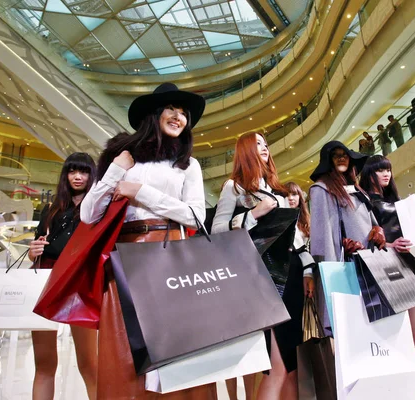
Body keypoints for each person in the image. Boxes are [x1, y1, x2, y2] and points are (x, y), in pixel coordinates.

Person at [80, 82, 217, 399]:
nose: (178, 117)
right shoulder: (122, 157)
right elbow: (89, 214)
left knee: (175, 350)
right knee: (126, 353)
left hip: (170, 257)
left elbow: (196, 217)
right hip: (125, 262)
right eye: (171, 108)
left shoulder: (187, 164)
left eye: (183, 113)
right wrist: (116, 170)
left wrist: (139, 192)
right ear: (154, 114)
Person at [211, 133, 315, 400]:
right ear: (245, 149)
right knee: (275, 366)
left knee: (291, 366)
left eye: (266, 144)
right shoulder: (233, 187)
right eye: (257, 143)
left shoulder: (278, 190)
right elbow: (218, 230)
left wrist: (306, 270)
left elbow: (295, 239)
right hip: (263, 275)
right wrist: (254, 214)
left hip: (290, 273)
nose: (264, 148)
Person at [29, 153, 98, 400]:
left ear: (92, 175)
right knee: (45, 364)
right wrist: (32, 250)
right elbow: (36, 252)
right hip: (45, 280)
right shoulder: (50, 209)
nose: (77, 177)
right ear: (65, 175)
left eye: (84, 171)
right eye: (72, 171)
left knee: (90, 364)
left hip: (79, 282)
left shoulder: (97, 208)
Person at [309, 141, 385, 336]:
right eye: (336, 155)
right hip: (344, 268)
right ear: (328, 161)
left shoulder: (358, 190)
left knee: (374, 326)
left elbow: (371, 219)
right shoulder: (321, 189)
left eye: (345, 154)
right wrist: (330, 274)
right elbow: (321, 236)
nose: (342, 158)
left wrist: (378, 230)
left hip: (370, 264)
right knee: (348, 328)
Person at [358, 155, 415, 366]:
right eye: (380, 170)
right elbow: (363, 238)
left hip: (410, 265)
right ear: (370, 173)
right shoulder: (365, 201)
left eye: (388, 169)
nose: (386, 173)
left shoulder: (397, 201)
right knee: (395, 334)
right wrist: (390, 245)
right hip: (386, 268)